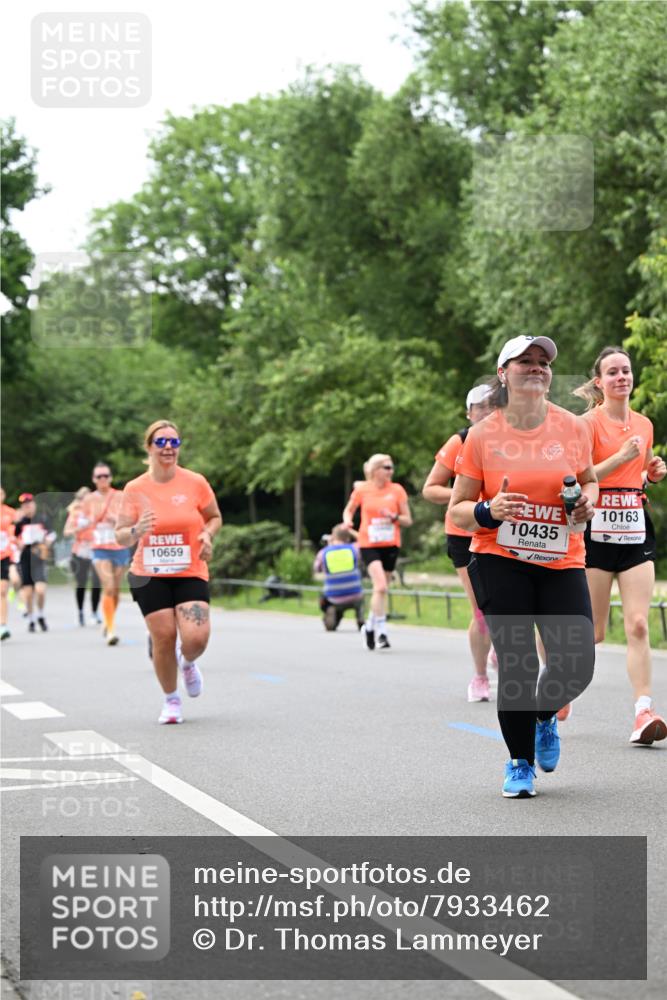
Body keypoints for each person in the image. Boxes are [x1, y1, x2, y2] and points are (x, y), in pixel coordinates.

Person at [449, 335, 598, 798]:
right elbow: (456, 509)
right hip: (499, 557)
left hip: (561, 558)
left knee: (577, 664)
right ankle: (518, 763)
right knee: (517, 662)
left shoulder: (574, 428)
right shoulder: (482, 435)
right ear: (503, 374)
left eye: (542, 362)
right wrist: (488, 510)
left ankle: (543, 714)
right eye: (524, 362)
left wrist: (584, 506)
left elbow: (590, 483)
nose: (536, 368)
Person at [573, 346, 666, 745]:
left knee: (639, 623)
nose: (621, 377)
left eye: (626, 370)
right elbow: (577, 477)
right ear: (599, 382)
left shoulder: (644, 424)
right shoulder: (586, 425)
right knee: (591, 632)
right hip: (595, 530)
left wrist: (652, 472)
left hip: (634, 527)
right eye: (612, 372)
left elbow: (638, 473)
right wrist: (619, 457)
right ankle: (557, 684)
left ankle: (643, 711)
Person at [115, 420, 222, 725]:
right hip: (149, 573)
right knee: (163, 637)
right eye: (161, 442)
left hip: (190, 569)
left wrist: (207, 535)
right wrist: (137, 529)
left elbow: (214, 517)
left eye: (174, 442)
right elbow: (120, 535)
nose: (168, 448)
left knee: (197, 638)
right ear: (149, 447)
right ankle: (171, 700)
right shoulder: (135, 488)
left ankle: (187, 662)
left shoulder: (195, 482)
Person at [423, 384, 495, 701]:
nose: (488, 411)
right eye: (480, 406)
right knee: (482, 609)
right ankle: (480, 677)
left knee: (505, 607)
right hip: (464, 533)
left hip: (498, 531)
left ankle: (496, 646)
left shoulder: (513, 441)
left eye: (494, 405)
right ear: (469, 413)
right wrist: (463, 496)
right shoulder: (461, 441)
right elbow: (430, 488)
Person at [342, 454, 412, 651]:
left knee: (382, 589)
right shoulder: (362, 489)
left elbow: (408, 520)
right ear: (374, 470)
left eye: (391, 468)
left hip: (390, 543)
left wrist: (395, 517)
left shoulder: (397, 490)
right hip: (368, 543)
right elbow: (348, 510)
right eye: (386, 467)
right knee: (380, 586)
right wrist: (348, 521)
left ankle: (369, 626)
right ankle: (382, 631)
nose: (391, 471)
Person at [82, 463, 130, 645]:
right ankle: (111, 630)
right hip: (99, 547)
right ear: (94, 479)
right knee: (108, 586)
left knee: (115, 590)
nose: (103, 479)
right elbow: (81, 520)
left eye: (106, 475)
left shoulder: (120, 496)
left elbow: (129, 517)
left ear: (110, 477)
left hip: (119, 546)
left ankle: (108, 619)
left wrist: (116, 519)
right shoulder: (88, 499)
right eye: (99, 476)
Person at [14, 493, 56, 632]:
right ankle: (31, 618)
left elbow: (51, 534)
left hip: (39, 557)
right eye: (25, 505)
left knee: (40, 590)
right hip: (26, 557)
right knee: (28, 591)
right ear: (22, 507)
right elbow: (14, 539)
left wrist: (47, 544)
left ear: (34, 505)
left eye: (30, 504)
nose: (28, 507)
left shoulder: (42, 519)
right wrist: (18, 544)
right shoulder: (20, 523)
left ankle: (41, 615)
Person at [314, 524, 365, 631]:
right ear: (347, 538)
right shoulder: (354, 549)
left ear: (332, 537)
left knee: (323, 598)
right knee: (361, 598)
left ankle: (330, 611)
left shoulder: (324, 553)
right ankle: (360, 616)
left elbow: (317, 569)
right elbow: (364, 540)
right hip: (355, 594)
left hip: (333, 596)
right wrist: (350, 531)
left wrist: (329, 546)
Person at [64, 487, 102, 626]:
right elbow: (66, 531)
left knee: (97, 582)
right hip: (80, 550)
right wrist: (79, 527)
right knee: (81, 583)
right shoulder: (75, 512)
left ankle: (94, 612)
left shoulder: (97, 511)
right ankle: (80, 611)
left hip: (96, 548)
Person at [0, 487, 17, 640]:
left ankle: (3, 625)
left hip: (4, 556)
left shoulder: (10, 513)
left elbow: (17, 532)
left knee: (2, 592)